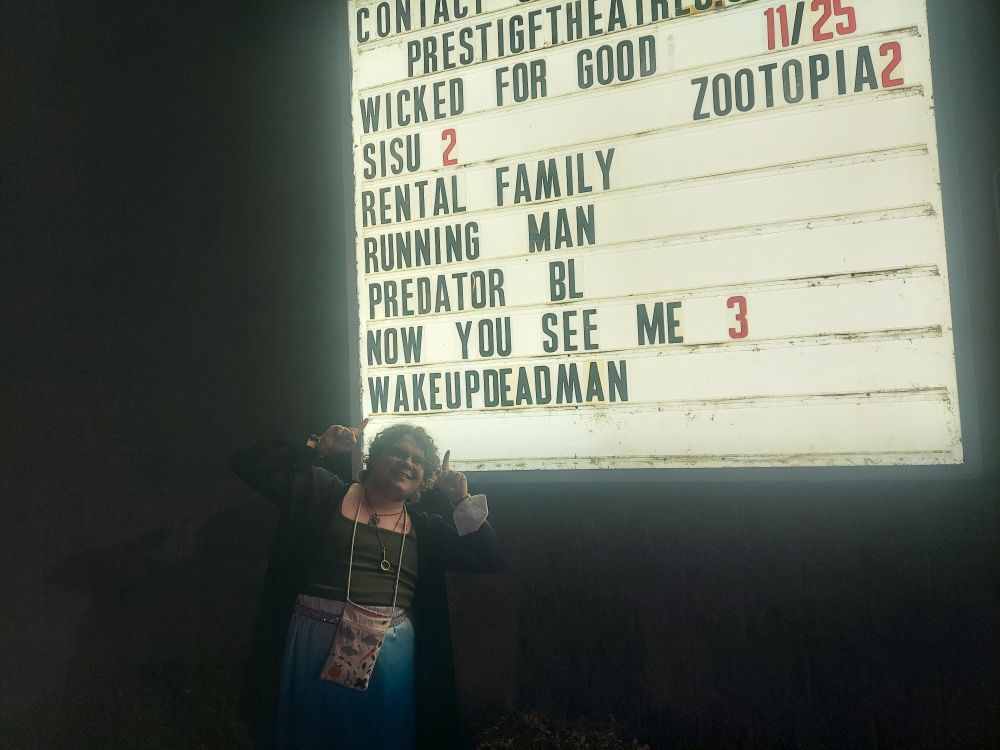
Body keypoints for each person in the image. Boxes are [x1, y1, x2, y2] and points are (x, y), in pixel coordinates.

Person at [230, 421, 503, 749]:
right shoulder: (326, 493)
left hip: (390, 656)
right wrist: (319, 446)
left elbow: (486, 556)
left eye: (418, 461)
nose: (408, 463)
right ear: (373, 459)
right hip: (313, 644)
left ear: (424, 477)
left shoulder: (426, 529)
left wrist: (461, 500)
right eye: (398, 453)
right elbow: (248, 464)